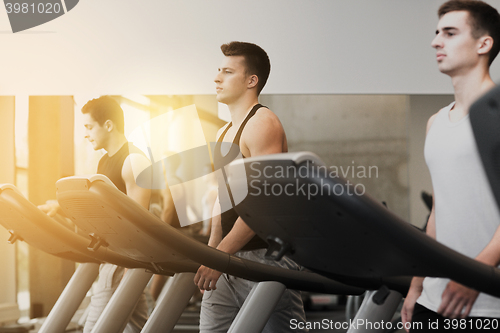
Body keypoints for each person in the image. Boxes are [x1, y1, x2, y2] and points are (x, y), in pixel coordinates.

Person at [193, 41, 306, 332]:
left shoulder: (262, 123)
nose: (217, 78)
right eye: (219, 70)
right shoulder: (223, 131)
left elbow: (264, 202)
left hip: (265, 259)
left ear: (251, 81)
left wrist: (220, 257)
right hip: (229, 257)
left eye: (228, 72)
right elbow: (223, 199)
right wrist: (212, 253)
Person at [401, 1, 500, 332]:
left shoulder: (498, 116)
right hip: (434, 297)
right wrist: (417, 286)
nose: (435, 42)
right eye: (436, 33)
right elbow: (438, 213)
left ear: (484, 44)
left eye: (450, 33)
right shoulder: (436, 123)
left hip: (488, 302)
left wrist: (477, 275)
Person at [41, 96, 151, 332]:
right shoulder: (104, 162)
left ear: (109, 125)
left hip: (122, 258)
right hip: (112, 255)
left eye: (89, 127)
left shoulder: (134, 161)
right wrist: (61, 207)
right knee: (142, 325)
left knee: (94, 328)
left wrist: (129, 264)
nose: (86, 133)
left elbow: (140, 222)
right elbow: (104, 209)